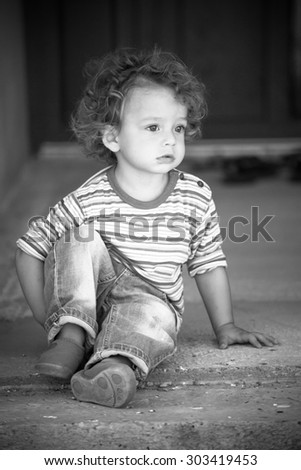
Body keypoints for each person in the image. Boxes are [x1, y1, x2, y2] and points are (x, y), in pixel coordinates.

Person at [15, 48, 277, 408]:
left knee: (154, 317)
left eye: (178, 128)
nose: (170, 139)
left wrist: (226, 326)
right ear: (112, 138)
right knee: (78, 237)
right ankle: (72, 340)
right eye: (153, 127)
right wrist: (50, 321)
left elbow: (208, 261)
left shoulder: (194, 197)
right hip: (89, 302)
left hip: (149, 301)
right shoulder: (89, 198)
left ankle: (113, 367)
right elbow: (29, 250)